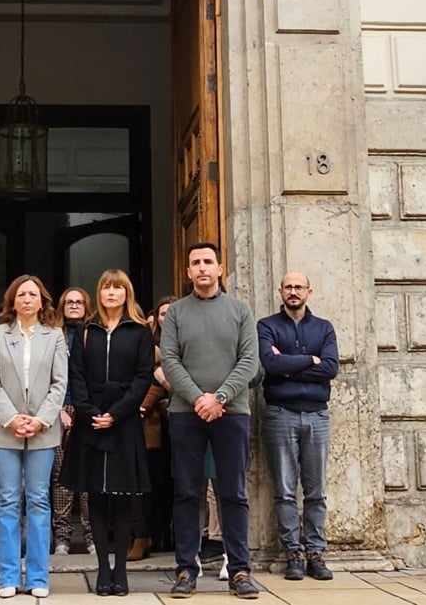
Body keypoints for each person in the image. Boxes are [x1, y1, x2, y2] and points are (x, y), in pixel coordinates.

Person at [161, 243, 260, 600]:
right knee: (187, 493)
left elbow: (250, 360)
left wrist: (218, 398)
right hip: (186, 415)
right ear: (188, 272)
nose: (202, 268)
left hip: (231, 414)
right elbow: (170, 360)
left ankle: (239, 571)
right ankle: (186, 569)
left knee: (232, 493)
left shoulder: (240, 310)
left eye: (208, 262)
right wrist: (197, 398)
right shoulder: (175, 313)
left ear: (220, 268)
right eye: (195, 263)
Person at [60, 269, 153, 596]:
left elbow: (143, 378)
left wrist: (116, 413)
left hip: (123, 421)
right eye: (105, 288)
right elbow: (77, 375)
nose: (111, 293)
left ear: (126, 293)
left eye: (117, 288)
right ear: (98, 294)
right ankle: (102, 569)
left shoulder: (140, 332)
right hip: (91, 420)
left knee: (123, 495)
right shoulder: (88, 331)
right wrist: (89, 412)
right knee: (96, 495)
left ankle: (121, 571)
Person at [0, 275, 68, 599]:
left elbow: (60, 382)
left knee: (39, 499)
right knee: (7, 500)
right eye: (22, 294)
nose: (27, 299)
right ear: (12, 300)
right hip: (4, 429)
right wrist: (11, 417)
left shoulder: (55, 336)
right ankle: (7, 575)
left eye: (33, 294)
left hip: (42, 431)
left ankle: (37, 576)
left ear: (42, 300)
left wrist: (41, 419)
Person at [258, 273, 339, 583]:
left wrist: (291, 366)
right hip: (281, 413)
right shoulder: (267, 326)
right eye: (288, 287)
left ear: (309, 291)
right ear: (280, 291)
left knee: (316, 490)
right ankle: (294, 551)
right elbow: (271, 365)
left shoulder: (324, 328)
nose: (293, 292)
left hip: (317, 415)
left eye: (298, 287)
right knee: (285, 489)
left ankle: (316, 552)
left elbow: (331, 368)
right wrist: (310, 360)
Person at [52, 286, 94, 558]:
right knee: (61, 477)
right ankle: (62, 537)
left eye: (79, 302)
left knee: (89, 477)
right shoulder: (54, 335)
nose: (74, 306)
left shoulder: (94, 333)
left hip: (89, 408)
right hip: (59, 407)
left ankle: (92, 536)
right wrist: (57, 409)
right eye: (69, 302)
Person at [139, 295, 178, 558]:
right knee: (156, 479)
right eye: (162, 313)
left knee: (178, 482)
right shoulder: (148, 344)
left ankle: (172, 534)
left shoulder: (181, 343)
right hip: (153, 425)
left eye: (170, 312)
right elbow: (146, 377)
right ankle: (155, 534)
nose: (166, 317)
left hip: (178, 419)